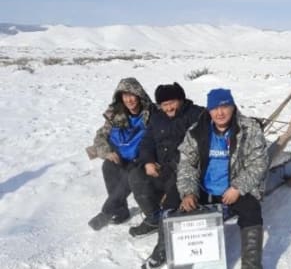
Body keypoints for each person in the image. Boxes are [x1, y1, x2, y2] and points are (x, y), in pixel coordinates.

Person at [142, 88, 269, 269]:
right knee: (170, 201)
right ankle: (163, 249)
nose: (220, 112)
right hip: (203, 187)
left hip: (232, 188)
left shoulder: (249, 129)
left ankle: (251, 264)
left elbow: (259, 163)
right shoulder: (197, 131)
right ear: (209, 111)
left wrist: (237, 187)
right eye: (215, 108)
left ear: (232, 107)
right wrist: (188, 192)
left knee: (252, 209)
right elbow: (187, 164)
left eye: (225, 106)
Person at [128, 82, 204, 237]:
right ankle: (153, 218)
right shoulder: (157, 118)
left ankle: (171, 219)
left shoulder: (197, 115)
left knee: (173, 192)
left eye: (172, 103)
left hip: (184, 169)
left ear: (181, 99)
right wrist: (148, 161)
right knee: (136, 175)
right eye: (164, 104)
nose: (169, 108)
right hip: (160, 167)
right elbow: (146, 142)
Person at [86, 77, 155, 231]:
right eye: (124, 96)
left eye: (132, 95)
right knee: (108, 166)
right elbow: (100, 136)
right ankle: (120, 210)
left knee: (129, 175)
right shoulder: (115, 114)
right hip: (121, 156)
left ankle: (107, 210)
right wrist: (107, 152)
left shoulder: (151, 113)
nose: (129, 100)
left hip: (141, 158)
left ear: (139, 95)